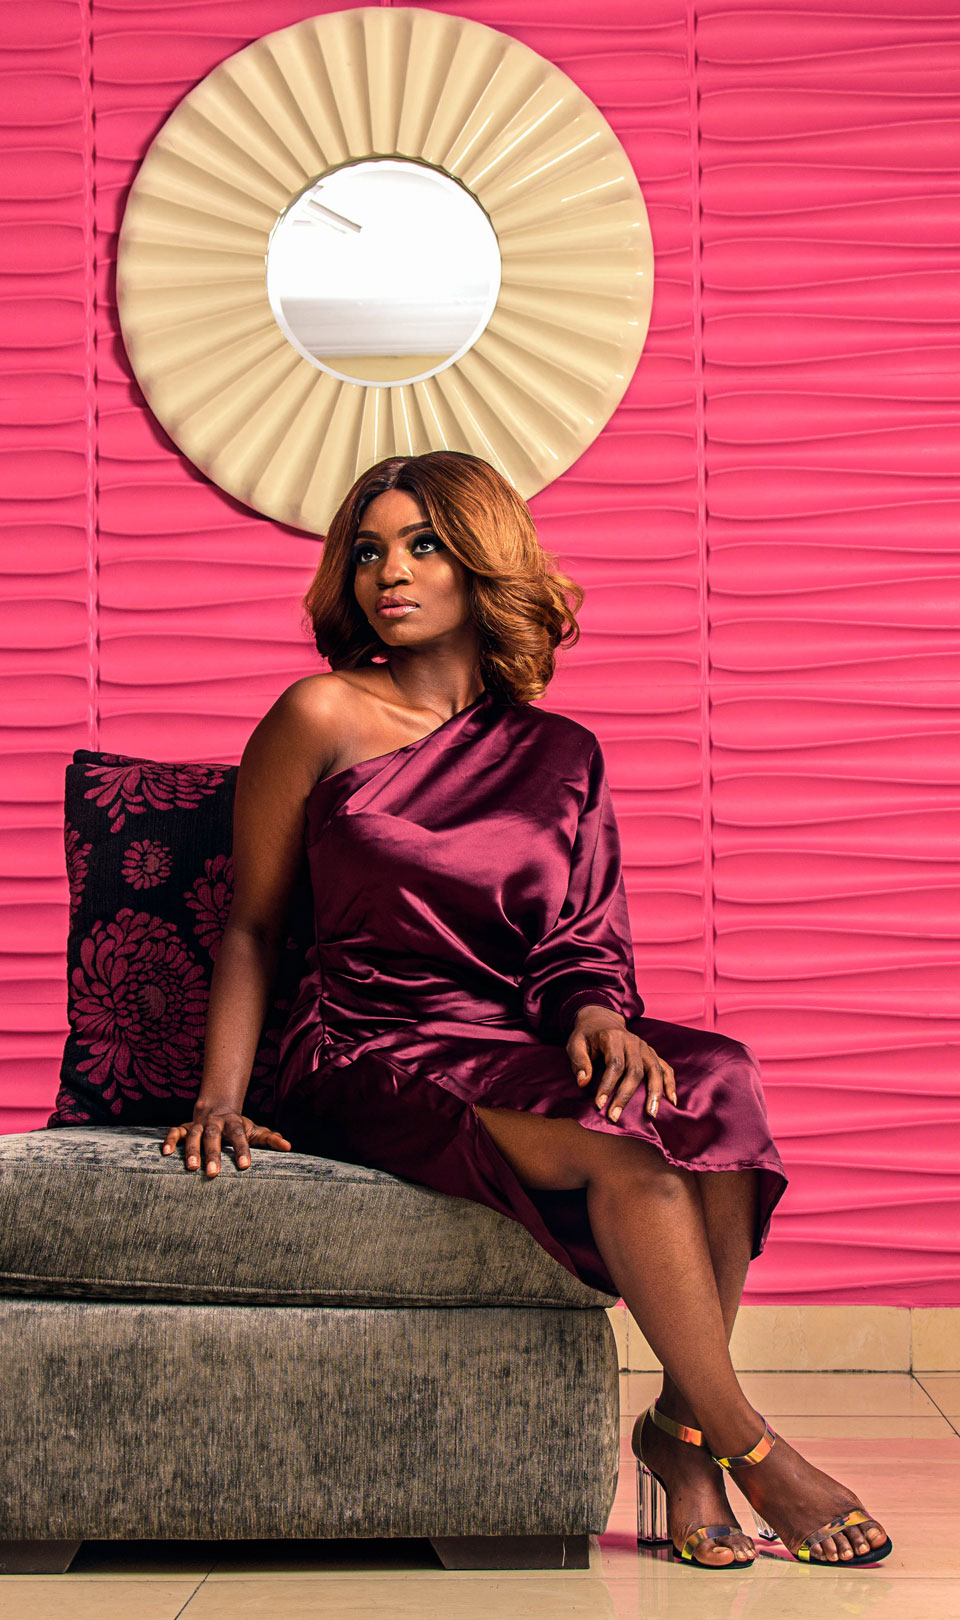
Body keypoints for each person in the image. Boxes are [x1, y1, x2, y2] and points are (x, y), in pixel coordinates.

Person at [162, 451, 891, 1571]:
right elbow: (254, 927)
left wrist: (599, 1016)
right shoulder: (320, 713)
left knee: (720, 1081)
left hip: (509, 1038)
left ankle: (679, 1430)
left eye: (423, 546)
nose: (389, 573)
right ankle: (749, 1446)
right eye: (368, 551)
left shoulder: (562, 753)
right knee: (630, 1152)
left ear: (481, 562)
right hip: (366, 1042)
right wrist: (220, 1097)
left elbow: (581, 940)